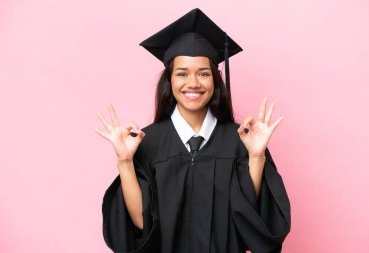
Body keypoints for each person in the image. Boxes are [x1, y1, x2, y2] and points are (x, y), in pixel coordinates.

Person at [95, 8, 291, 253]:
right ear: (169, 80)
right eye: (182, 74)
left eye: (203, 73)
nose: (193, 83)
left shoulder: (240, 140)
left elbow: (250, 224)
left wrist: (256, 156)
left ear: (215, 80)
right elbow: (141, 226)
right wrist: (125, 161)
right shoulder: (147, 142)